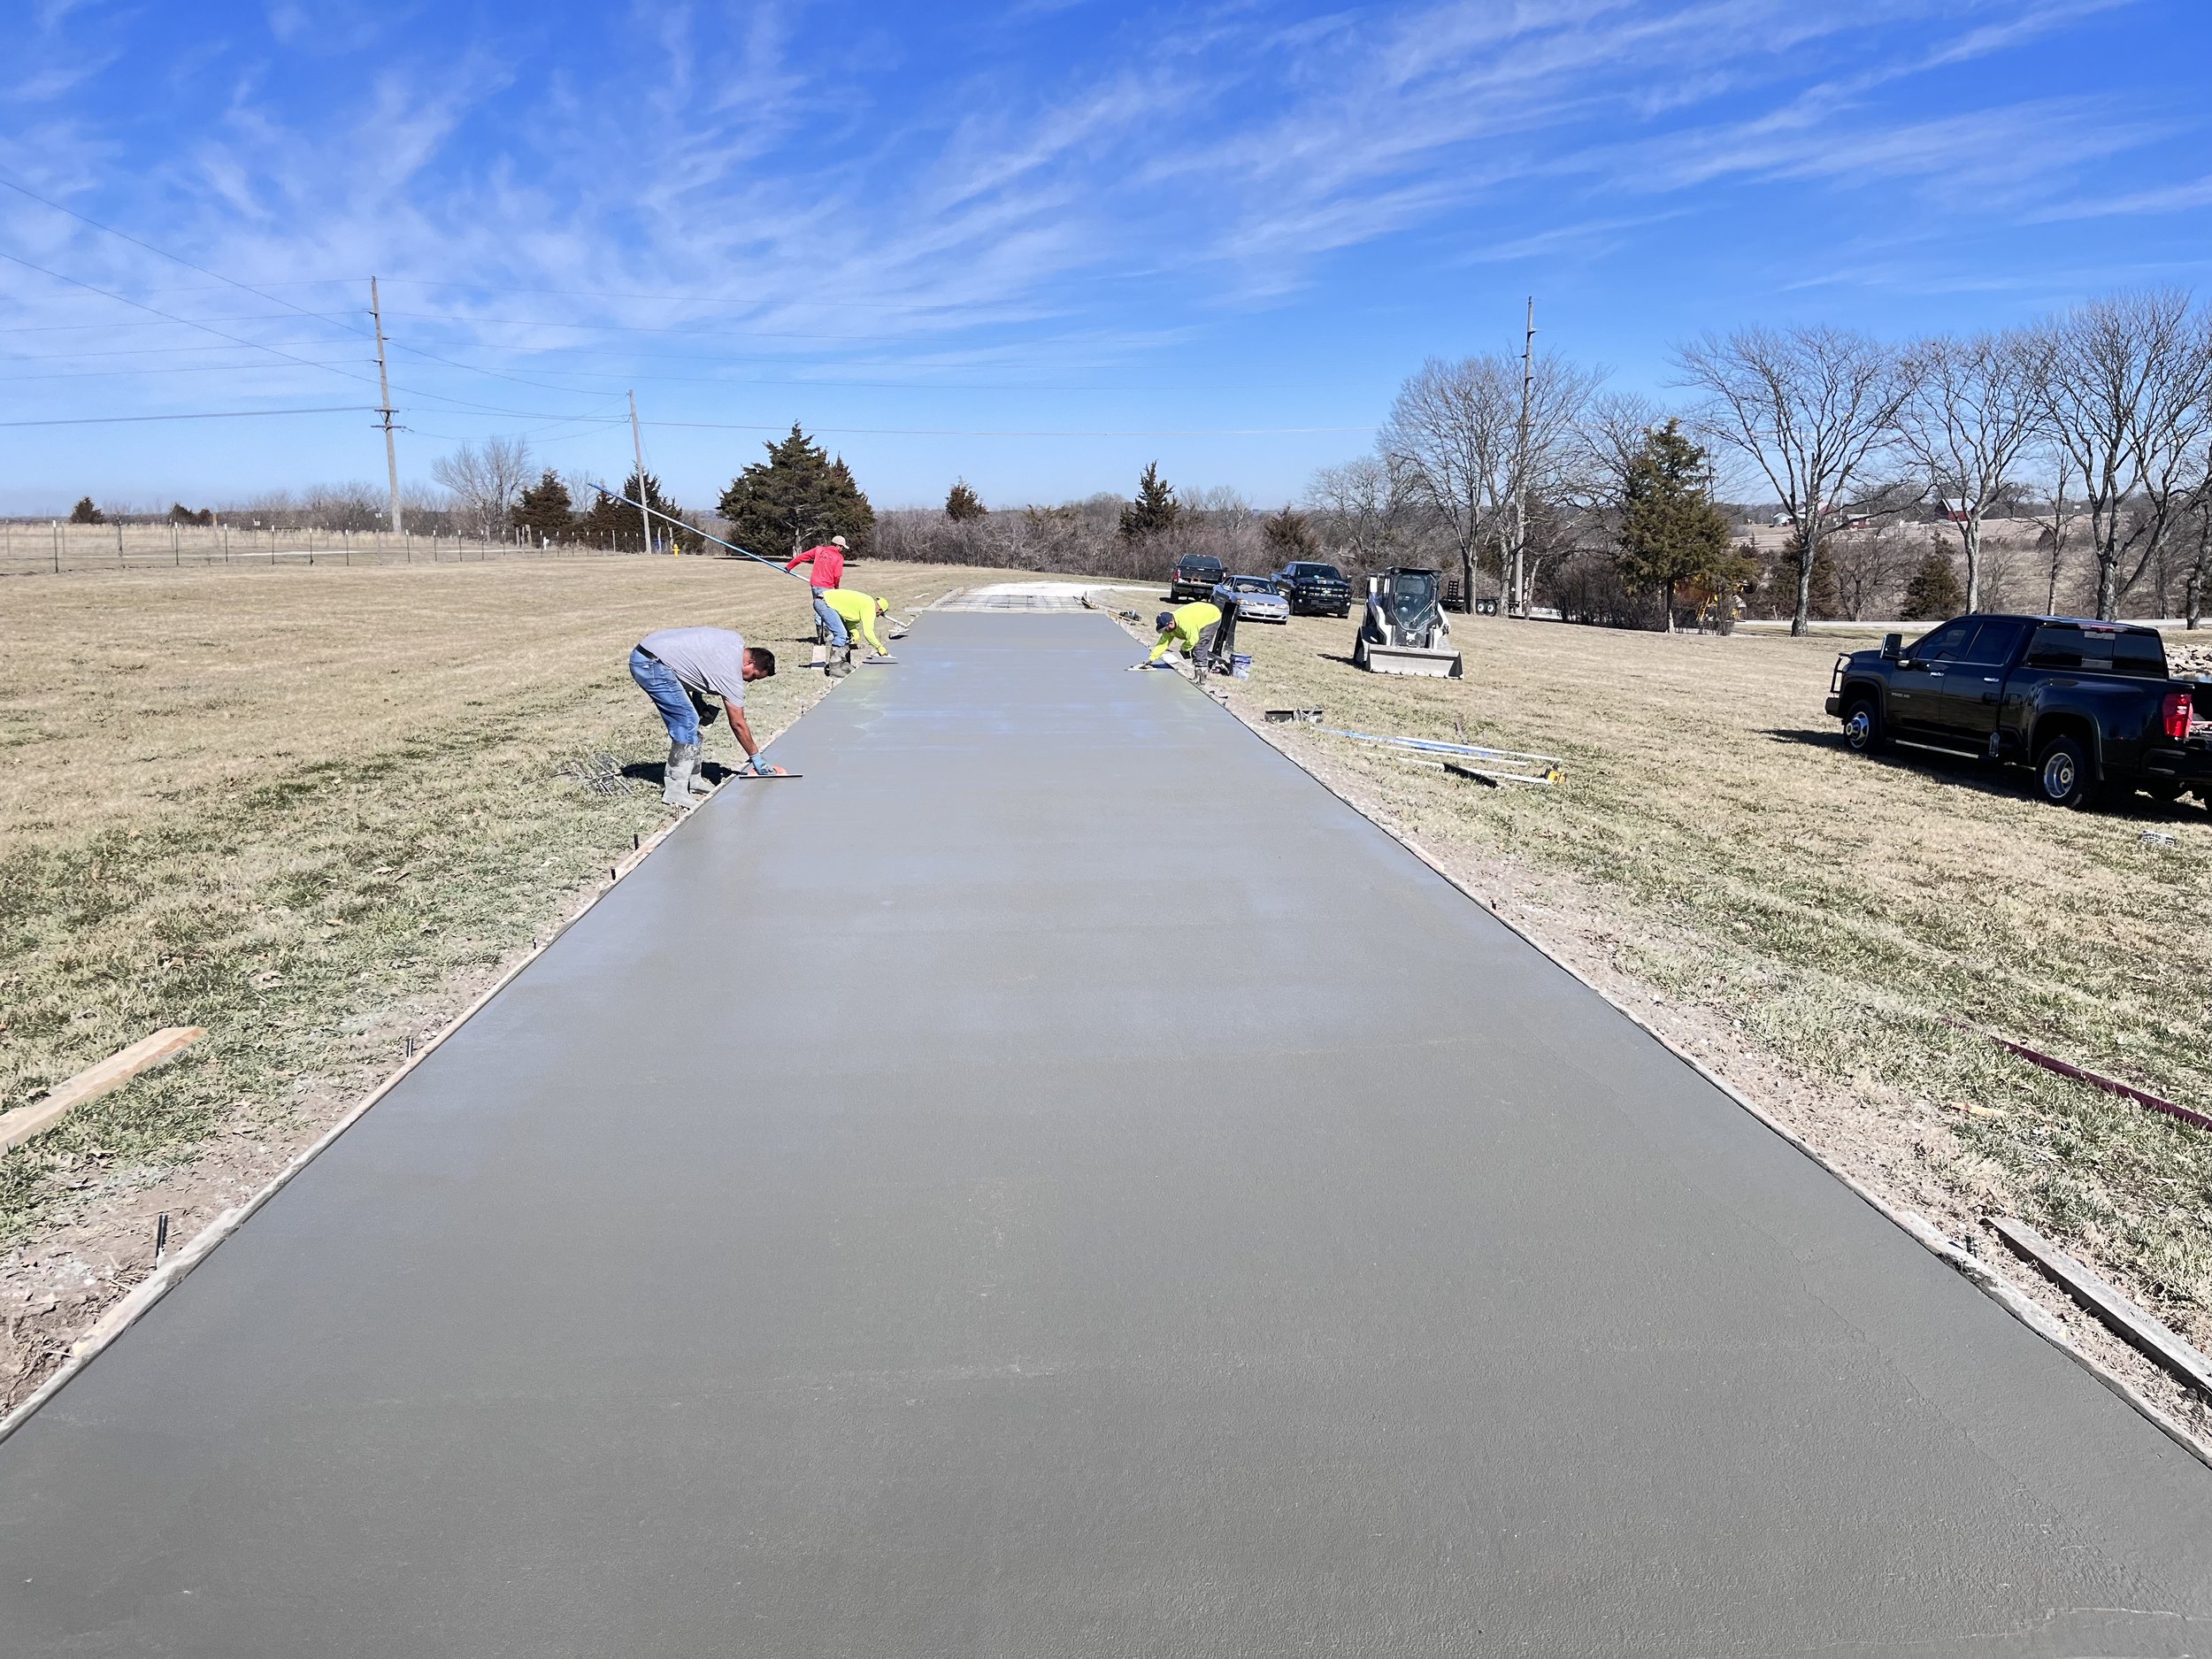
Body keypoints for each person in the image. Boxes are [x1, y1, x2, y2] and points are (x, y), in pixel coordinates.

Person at [629, 626, 778, 806]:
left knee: (693, 719)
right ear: (749, 663)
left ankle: (694, 781)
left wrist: (698, 699)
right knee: (687, 721)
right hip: (650, 663)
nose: (748, 681)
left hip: (655, 652)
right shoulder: (731, 674)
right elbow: (738, 723)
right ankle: (675, 791)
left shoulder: (735, 641)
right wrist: (756, 758)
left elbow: (699, 661)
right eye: (753, 676)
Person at [787, 534, 850, 648]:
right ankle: (828, 637)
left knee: (818, 609)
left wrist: (789, 567)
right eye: (842, 547)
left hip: (815, 585)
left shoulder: (819, 550)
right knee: (827, 610)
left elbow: (801, 557)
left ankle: (820, 638)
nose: (842, 550)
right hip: (827, 587)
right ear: (837, 545)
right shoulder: (839, 557)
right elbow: (837, 575)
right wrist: (836, 587)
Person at [1140, 601, 1223, 680]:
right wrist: (1151, 659)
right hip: (1198, 616)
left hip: (1211, 616)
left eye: (1165, 628)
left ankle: (1201, 678)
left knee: (1199, 648)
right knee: (1196, 648)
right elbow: (1162, 644)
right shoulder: (1168, 628)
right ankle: (1199, 675)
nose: (1165, 631)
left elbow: (1192, 640)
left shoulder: (1185, 624)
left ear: (1171, 623)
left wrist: (1184, 649)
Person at [819, 588, 894, 674]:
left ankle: (843, 664)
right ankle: (834, 668)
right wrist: (880, 648)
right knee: (841, 634)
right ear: (879, 609)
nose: (877, 616)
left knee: (846, 634)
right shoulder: (869, 606)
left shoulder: (867, 602)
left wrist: (854, 632)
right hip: (824, 603)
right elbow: (868, 632)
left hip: (823, 600)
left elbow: (850, 620)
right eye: (879, 614)